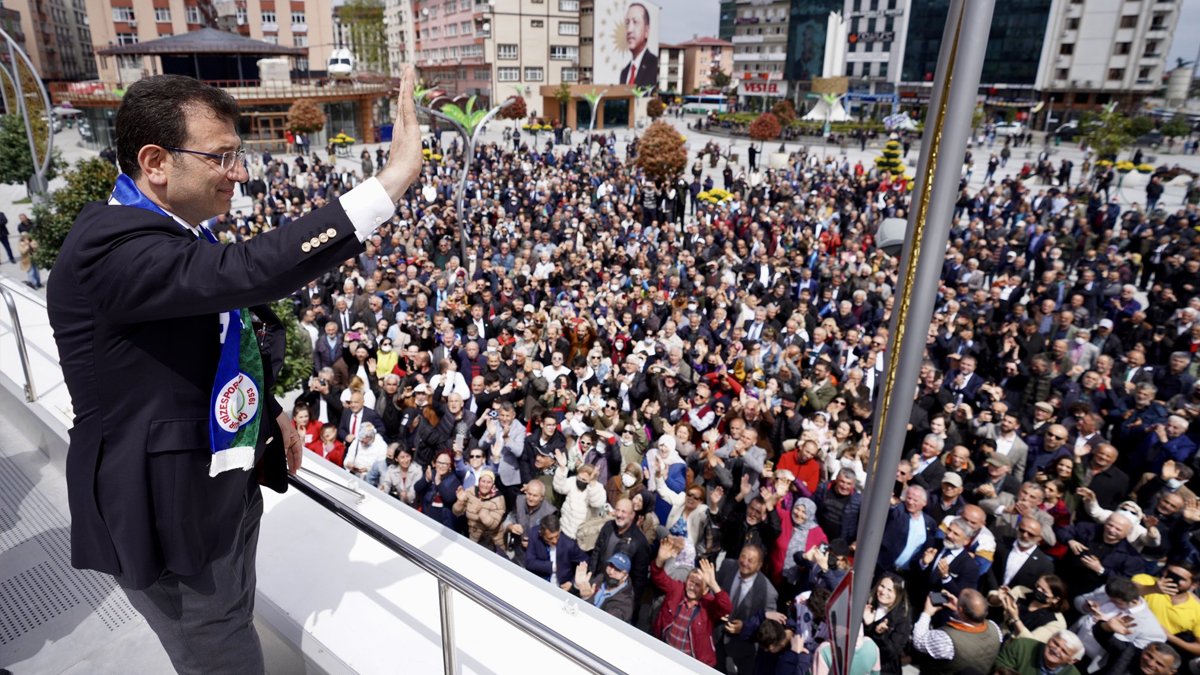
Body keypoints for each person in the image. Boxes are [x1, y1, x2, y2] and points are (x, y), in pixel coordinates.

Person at [46, 67, 422, 673]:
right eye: (222, 157)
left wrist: (269, 410)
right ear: (156, 161)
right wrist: (391, 181)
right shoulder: (111, 250)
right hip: (169, 516)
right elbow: (247, 273)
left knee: (231, 618)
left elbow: (208, 341)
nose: (240, 173)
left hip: (219, 486)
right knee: (220, 652)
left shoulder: (168, 231)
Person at [650, 538, 731, 668]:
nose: (692, 587)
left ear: (705, 590)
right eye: (691, 581)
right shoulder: (677, 589)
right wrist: (660, 560)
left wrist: (713, 584)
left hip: (689, 665)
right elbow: (658, 577)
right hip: (664, 655)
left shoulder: (708, 604)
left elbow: (726, 607)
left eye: (698, 584)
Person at [911, 588, 1003, 673]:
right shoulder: (995, 629)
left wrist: (927, 613)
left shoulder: (947, 640)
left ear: (961, 609)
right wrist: (958, 610)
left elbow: (919, 641)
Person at [574, 552, 637, 622]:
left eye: (618, 570)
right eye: (610, 566)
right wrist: (577, 586)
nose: (611, 572)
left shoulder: (624, 603)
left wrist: (587, 598)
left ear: (625, 576)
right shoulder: (600, 578)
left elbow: (604, 624)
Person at [992, 630, 1086, 675]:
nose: (1056, 650)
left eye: (1064, 651)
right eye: (1055, 643)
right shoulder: (1022, 645)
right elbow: (1000, 666)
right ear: (1049, 639)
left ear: (1073, 661)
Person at [617, 2, 658, 87]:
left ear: (647, 30)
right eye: (627, 23)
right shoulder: (624, 73)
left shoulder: (654, 65)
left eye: (635, 22)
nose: (629, 30)